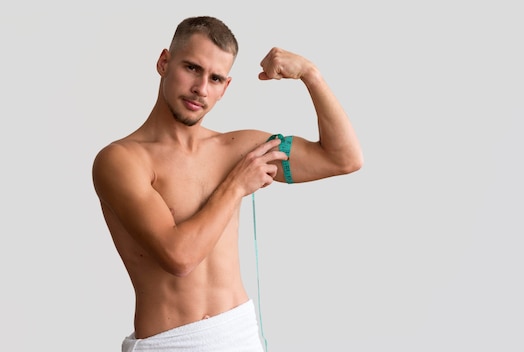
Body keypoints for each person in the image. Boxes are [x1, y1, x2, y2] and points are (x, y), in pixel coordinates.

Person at [92, 15, 363, 352]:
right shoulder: (121, 160)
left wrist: (311, 75)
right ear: (164, 62)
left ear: (225, 87)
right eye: (191, 68)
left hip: (240, 336)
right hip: (172, 344)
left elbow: (344, 158)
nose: (201, 89)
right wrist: (236, 185)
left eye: (215, 78)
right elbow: (179, 257)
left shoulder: (236, 149)